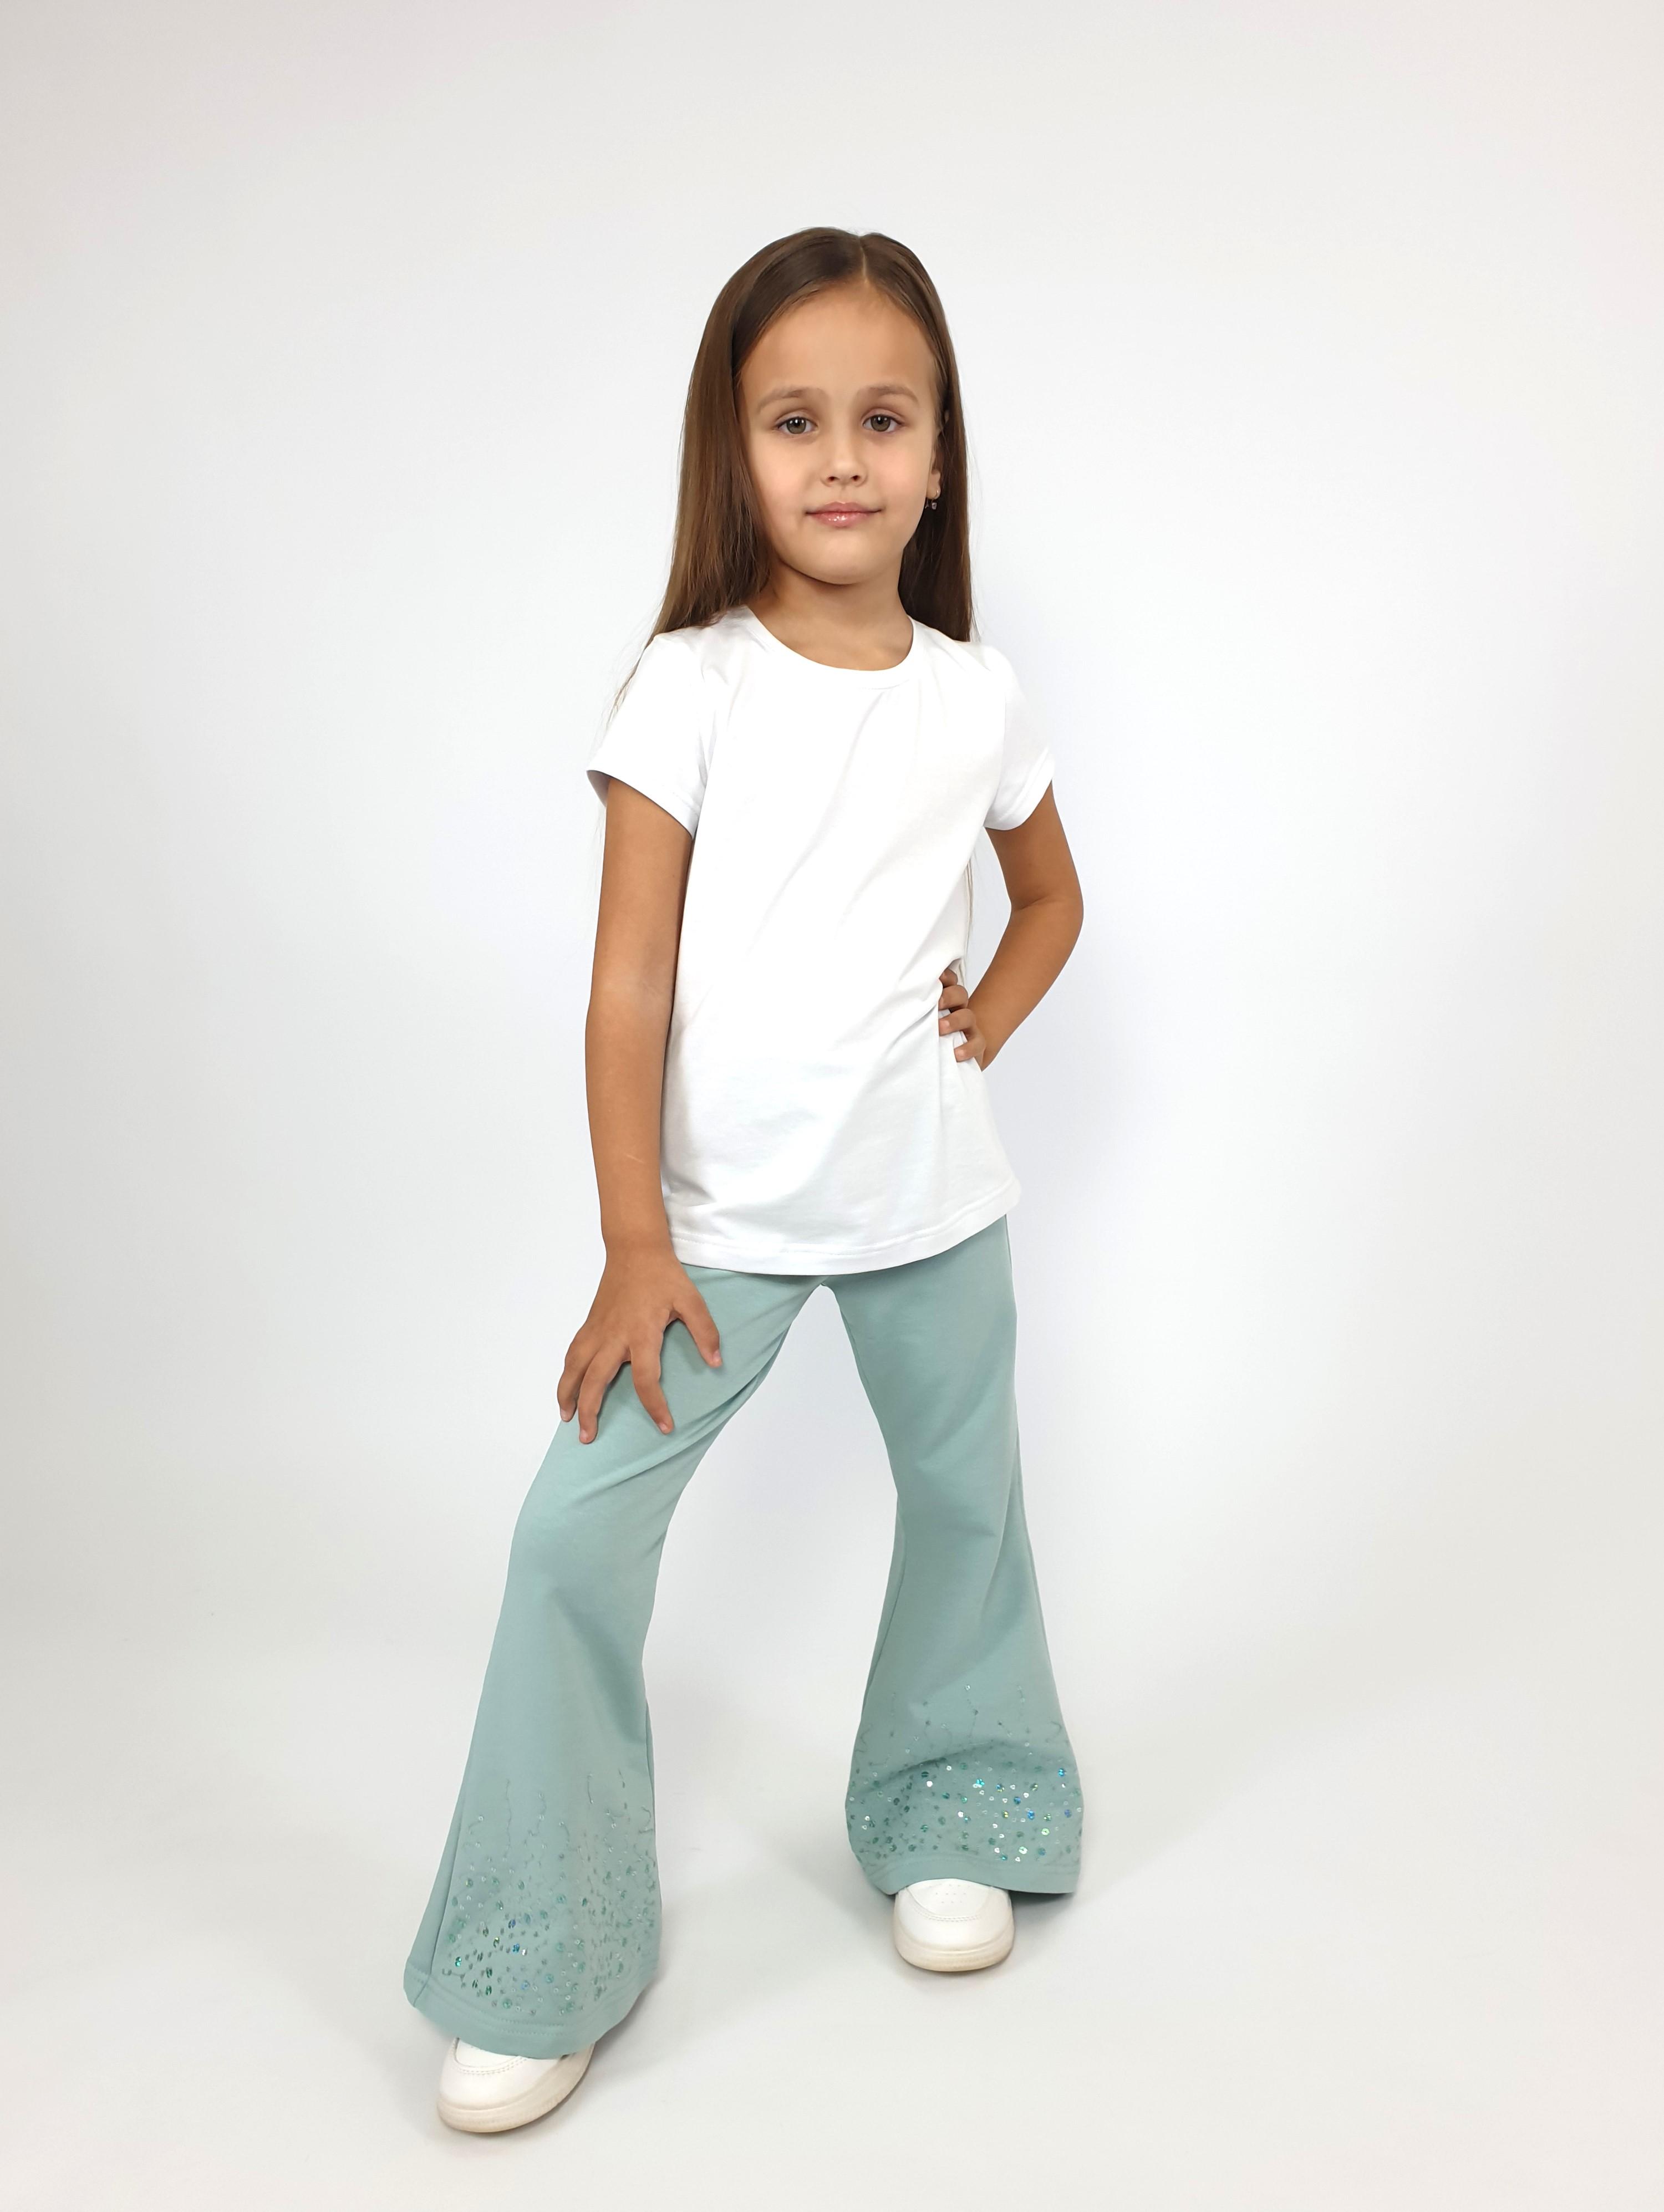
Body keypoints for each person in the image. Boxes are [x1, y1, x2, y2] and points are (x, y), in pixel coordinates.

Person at [403, 226, 1086, 2134]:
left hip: (930, 1204)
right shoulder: (687, 685)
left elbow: (1048, 899)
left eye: (884, 418)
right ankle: (546, 1947)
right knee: (569, 1542)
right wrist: (636, 1238)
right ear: (736, 449)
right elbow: (626, 983)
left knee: (965, 1506)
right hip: (709, 1233)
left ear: (937, 456)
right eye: (796, 421)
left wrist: (978, 1024)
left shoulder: (974, 695)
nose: (841, 457)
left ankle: (957, 1806)